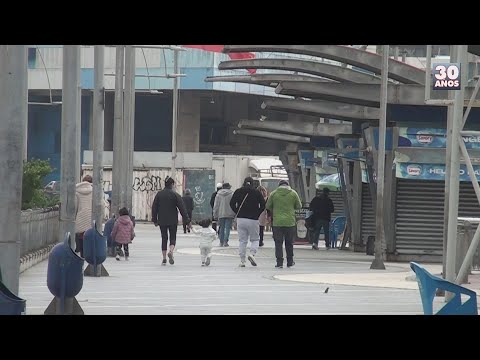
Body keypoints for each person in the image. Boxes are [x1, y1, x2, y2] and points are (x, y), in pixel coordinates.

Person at [152, 176, 190, 265]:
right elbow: (182, 208)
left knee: (164, 238)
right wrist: (187, 220)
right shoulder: (175, 195)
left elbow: (154, 208)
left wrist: (154, 220)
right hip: (173, 220)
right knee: (172, 237)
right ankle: (171, 251)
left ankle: (164, 257)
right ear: (172, 184)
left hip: (162, 220)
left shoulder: (159, 194)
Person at [265, 179, 302, 268]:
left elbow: (268, 206)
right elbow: (299, 206)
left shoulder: (274, 193)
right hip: (290, 222)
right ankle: (290, 261)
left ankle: (279, 262)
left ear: (279, 185)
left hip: (277, 222)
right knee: (289, 243)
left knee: (278, 243)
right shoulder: (293, 193)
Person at [230, 177, 265, 267]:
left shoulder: (238, 191)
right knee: (255, 239)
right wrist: (257, 213)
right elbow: (263, 204)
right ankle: (252, 254)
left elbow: (232, 203)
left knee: (242, 241)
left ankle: (242, 261)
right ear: (253, 183)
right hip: (253, 219)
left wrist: (237, 211)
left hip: (241, 219)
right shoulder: (256, 192)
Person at [74, 175, 93, 258]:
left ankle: (82, 254)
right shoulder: (95, 191)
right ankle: (89, 254)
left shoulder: (76, 192)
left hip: (80, 216)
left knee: (81, 236)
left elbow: (75, 206)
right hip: (91, 217)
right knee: (90, 237)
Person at [213, 182, 235, 247]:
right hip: (229, 213)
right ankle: (226, 242)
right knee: (227, 228)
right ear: (229, 187)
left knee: (221, 228)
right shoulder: (232, 194)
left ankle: (221, 242)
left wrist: (215, 214)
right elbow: (233, 204)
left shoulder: (218, 194)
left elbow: (216, 205)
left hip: (221, 213)